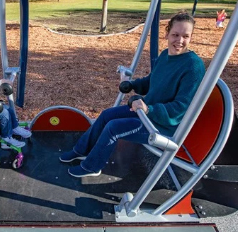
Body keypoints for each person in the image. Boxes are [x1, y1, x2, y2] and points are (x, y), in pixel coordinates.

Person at [59, 12, 205, 178]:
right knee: (107, 115)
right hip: (146, 113)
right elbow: (153, 81)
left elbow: (181, 108)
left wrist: (149, 109)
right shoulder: (166, 55)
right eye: (175, 35)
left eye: (186, 36)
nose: (179, 41)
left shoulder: (193, 66)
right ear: (167, 34)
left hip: (162, 125)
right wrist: (132, 85)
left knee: (113, 128)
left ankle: (92, 166)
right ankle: (81, 150)